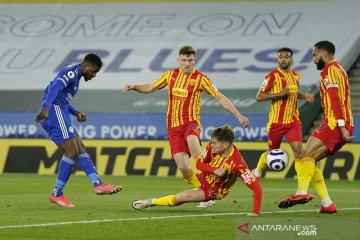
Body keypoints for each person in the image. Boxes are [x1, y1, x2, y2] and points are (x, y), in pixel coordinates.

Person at [123, 45, 249, 207]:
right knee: (183, 167)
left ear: (194, 60)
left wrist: (238, 115)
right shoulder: (170, 75)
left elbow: (219, 98)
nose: (187, 63)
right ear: (179, 60)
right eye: (184, 60)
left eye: (190, 60)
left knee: (194, 145)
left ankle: (211, 178)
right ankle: (204, 191)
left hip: (191, 123)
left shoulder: (201, 79)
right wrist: (134, 86)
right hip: (173, 127)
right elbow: (150, 87)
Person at [35, 53, 122, 208]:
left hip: (60, 110)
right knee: (71, 152)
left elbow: (62, 99)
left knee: (80, 147)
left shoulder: (76, 77)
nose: (94, 75)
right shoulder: (71, 72)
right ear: (85, 66)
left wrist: (76, 113)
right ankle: (57, 193)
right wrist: (47, 108)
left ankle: (98, 183)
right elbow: (54, 88)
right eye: (94, 71)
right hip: (54, 112)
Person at [278, 41, 354, 213]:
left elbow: (335, 99)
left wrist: (341, 126)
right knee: (310, 160)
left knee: (305, 156)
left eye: (315, 54)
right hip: (341, 124)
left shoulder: (329, 70)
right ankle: (327, 204)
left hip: (334, 123)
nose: (313, 58)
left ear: (324, 54)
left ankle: (301, 192)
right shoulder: (340, 70)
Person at [131, 125, 262, 216]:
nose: (211, 144)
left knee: (182, 197)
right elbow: (199, 164)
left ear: (225, 145)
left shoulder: (237, 164)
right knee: (184, 169)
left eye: (215, 142)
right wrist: (213, 169)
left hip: (214, 189)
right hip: (203, 177)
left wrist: (255, 212)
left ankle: (150, 202)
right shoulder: (211, 147)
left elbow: (257, 188)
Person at [252, 47, 314, 180]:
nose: (283, 59)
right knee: (271, 154)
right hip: (276, 122)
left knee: (299, 153)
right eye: (281, 57)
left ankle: (301, 188)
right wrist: (280, 94)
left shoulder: (296, 75)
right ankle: (257, 172)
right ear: (278, 58)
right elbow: (259, 96)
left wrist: (304, 97)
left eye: (286, 57)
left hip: (293, 121)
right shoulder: (272, 76)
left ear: (291, 58)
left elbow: (292, 93)